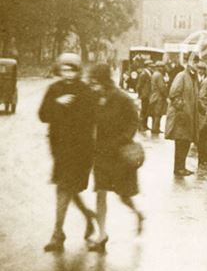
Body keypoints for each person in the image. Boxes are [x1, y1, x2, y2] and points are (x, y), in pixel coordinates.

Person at [38, 53, 99, 252]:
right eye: (64, 69)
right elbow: (43, 115)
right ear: (59, 70)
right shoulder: (54, 89)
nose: (68, 73)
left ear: (78, 71)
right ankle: (85, 217)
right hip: (59, 149)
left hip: (80, 150)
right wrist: (58, 102)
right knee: (66, 188)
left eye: (72, 69)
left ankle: (58, 234)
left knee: (65, 188)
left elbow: (91, 119)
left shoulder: (86, 91)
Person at [88, 63, 143, 252]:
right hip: (102, 154)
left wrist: (123, 139)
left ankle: (138, 214)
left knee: (123, 195)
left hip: (119, 155)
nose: (92, 84)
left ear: (103, 79)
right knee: (101, 192)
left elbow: (135, 120)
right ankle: (101, 235)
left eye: (95, 80)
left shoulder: (122, 98)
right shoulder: (95, 97)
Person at [165, 54, 200, 177]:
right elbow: (174, 94)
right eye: (194, 62)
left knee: (186, 142)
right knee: (181, 142)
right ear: (188, 62)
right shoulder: (182, 76)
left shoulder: (193, 77)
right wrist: (182, 109)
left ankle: (181, 167)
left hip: (189, 116)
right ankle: (178, 168)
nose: (196, 65)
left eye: (197, 63)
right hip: (182, 116)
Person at [195, 62, 207, 168]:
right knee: (204, 136)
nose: (201, 71)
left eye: (203, 69)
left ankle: (206, 157)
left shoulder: (204, 79)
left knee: (206, 136)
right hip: (202, 112)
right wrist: (206, 110)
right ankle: (203, 159)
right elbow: (201, 97)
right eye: (199, 69)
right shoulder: (205, 81)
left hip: (202, 111)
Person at [148, 62, 167, 135]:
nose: (164, 68)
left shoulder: (154, 74)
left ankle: (154, 127)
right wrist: (166, 95)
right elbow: (162, 87)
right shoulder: (159, 75)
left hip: (153, 96)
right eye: (163, 67)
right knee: (158, 114)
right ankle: (156, 129)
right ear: (159, 67)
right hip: (159, 97)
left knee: (154, 114)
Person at [135, 58, 152, 131]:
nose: (151, 67)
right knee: (143, 111)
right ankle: (140, 126)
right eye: (150, 66)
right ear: (147, 66)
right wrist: (140, 94)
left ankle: (145, 125)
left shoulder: (148, 73)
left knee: (146, 110)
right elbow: (139, 85)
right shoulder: (144, 74)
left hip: (148, 95)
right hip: (145, 95)